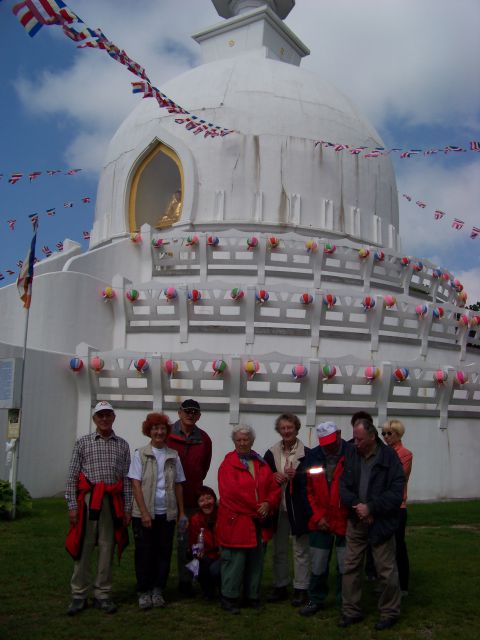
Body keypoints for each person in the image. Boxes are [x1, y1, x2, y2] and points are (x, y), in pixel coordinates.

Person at [65, 401, 132, 616]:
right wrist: (72, 505)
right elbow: (72, 476)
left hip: (111, 501)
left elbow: (127, 479)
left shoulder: (122, 444)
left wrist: (128, 507)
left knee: (106, 547)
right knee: (83, 546)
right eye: (100, 415)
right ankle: (79, 594)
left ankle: (103, 593)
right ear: (94, 419)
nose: (104, 419)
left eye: (108, 415)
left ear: (113, 418)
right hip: (89, 500)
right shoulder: (83, 442)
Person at [339, 418, 404, 631]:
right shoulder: (352, 455)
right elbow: (344, 487)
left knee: (385, 570)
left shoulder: (389, 457)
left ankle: (390, 612)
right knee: (350, 567)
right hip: (357, 520)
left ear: (371, 437)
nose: (354, 442)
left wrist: (372, 508)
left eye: (358, 439)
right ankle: (351, 611)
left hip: (381, 522)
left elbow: (396, 493)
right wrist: (358, 505)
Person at [217, 425, 281, 614]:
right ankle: (229, 597)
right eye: (239, 440)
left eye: (246, 439)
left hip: (257, 522)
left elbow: (273, 488)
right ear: (234, 442)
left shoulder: (260, 463)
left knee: (255, 561)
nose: (243, 443)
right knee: (235, 562)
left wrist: (269, 503)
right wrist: (258, 509)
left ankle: (252, 596)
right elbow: (230, 495)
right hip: (237, 522)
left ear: (252, 441)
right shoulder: (227, 465)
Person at [128, 412, 186, 609]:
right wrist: (144, 512)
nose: (159, 432)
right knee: (144, 552)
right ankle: (143, 590)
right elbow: (136, 485)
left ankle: (158, 589)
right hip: (145, 513)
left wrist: (181, 512)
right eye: (155, 428)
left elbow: (178, 484)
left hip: (166, 512)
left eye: (162, 428)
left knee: (163, 552)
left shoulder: (173, 455)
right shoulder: (140, 454)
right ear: (149, 431)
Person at [299, 422, 349, 616]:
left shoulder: (351, 454)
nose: (328, 447)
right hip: (320, 519)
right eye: (324, 443)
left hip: (345, 518)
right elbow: (306, 490)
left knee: (346, 565)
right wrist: (317, 516)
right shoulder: (314, 456)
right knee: (318, 563)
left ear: (338, 434)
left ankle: (345, 601)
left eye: (331, 442)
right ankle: (315, 598)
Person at [264, 413, 310, 606]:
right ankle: (280, 585)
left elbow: (314, 478)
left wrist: (297, 475)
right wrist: (273, 475)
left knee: (300, 549)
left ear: (296, 428)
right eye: (283, 428)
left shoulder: (307, 453)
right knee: (279, 549)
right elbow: (264, 474)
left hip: (298, 507)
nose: (286, 431)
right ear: (279, 430)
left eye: (290, 427)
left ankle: (301, 588)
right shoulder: (271, 452)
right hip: (279, 507)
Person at [167, 399, 212, 596]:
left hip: (192, 499)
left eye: (195, 412)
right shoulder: (166, 433)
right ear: (179, 413)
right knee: (164, 542)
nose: (190, 414)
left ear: (199, 416)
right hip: (167, 498)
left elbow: (204, 466)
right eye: (187, 411)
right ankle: (158, 581)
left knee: (190, 542)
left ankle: (187, 581)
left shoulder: (204, 438)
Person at [381, 419, 413, 595]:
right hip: (383, 505)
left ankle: (403, 584)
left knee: (398, 545)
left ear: (398, 434)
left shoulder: (405, 454)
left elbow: (397, 477)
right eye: (384, 433)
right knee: (383, 546)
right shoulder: (383, 452)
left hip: (397, 506)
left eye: (389, 433)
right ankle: (386, 582)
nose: (386, 436)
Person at [188, 485, 221, 599]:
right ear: (198, 504)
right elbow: (193, 542)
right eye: (201, 500)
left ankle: (224, 590)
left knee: (215, 569)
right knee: (198, 564)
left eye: (209, 498)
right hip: (206, 555)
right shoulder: (195, 519)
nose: (206, 503)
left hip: (222, 554)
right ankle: (208, 590)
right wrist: (196, 553)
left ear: (214, 499)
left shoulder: (223, 514)